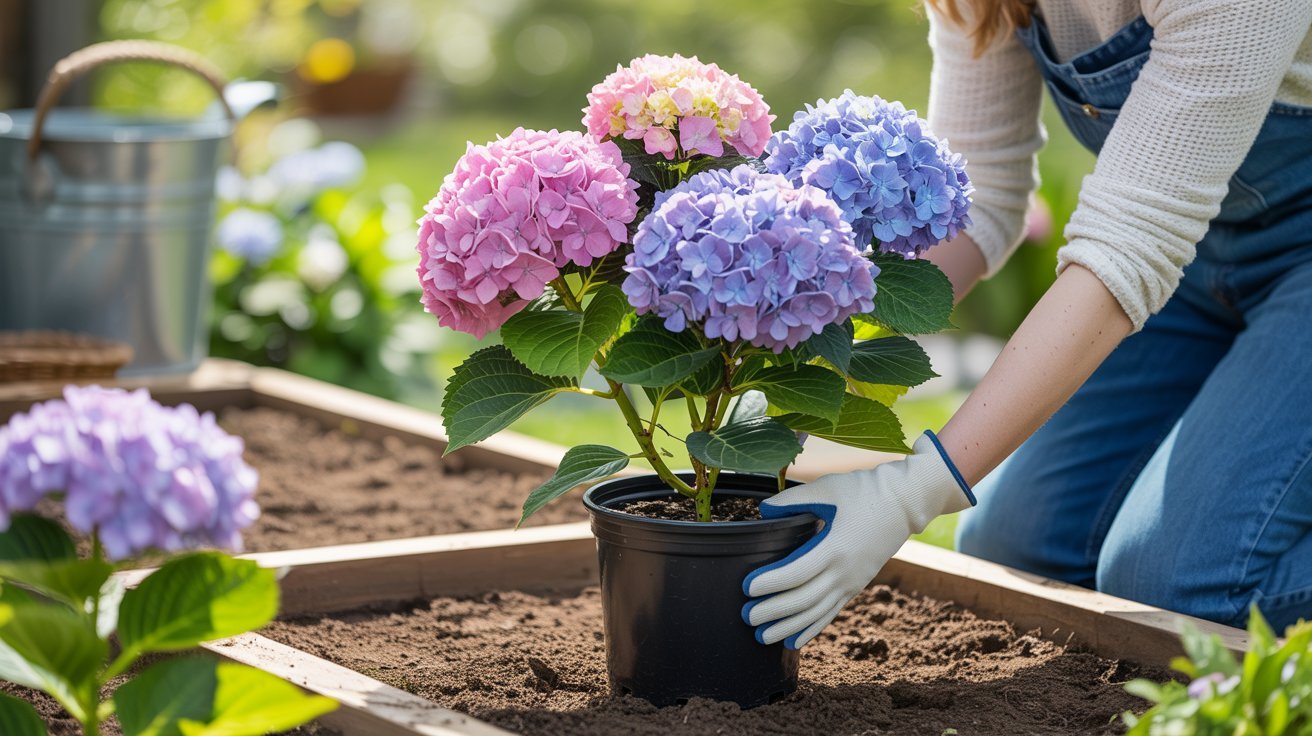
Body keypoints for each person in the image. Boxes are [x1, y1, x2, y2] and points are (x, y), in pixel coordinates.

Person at [741, 0, 1312, 650]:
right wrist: (812, 348)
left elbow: (1130, 247)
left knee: (1178, 588)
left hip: (1236, 252)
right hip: (1201, 253)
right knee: (1016, 544)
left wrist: (911, 489)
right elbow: (982, 185)